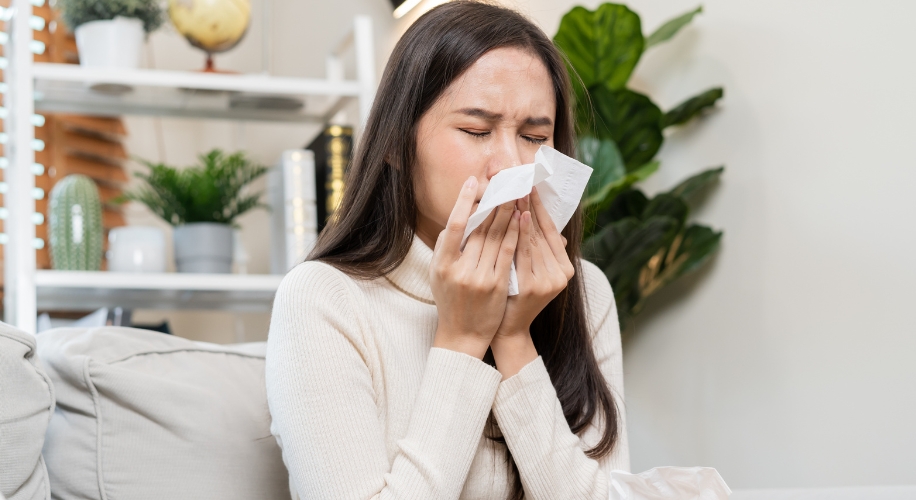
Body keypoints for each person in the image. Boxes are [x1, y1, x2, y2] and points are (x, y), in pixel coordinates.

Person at [266, 1, 629, 498]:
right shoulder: (323, 300)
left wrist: (514, 338)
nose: (509, 164)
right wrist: (462, 337)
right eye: (476, 131)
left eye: (534, 136)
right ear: (396, 142)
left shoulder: (584, 290)